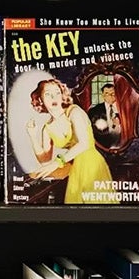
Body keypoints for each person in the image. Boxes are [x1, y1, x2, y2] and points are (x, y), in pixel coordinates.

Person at [26, 72, 114, 204]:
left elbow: (84, 144)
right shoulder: (47, 127)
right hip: (74, 169)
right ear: (40, 100)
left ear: (62, 96)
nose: (53, 97)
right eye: (48, 94)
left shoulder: (74, 112)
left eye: (57, 93)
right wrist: (32, 136)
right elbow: (44, 160)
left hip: (91, 164)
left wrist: (57, 162)